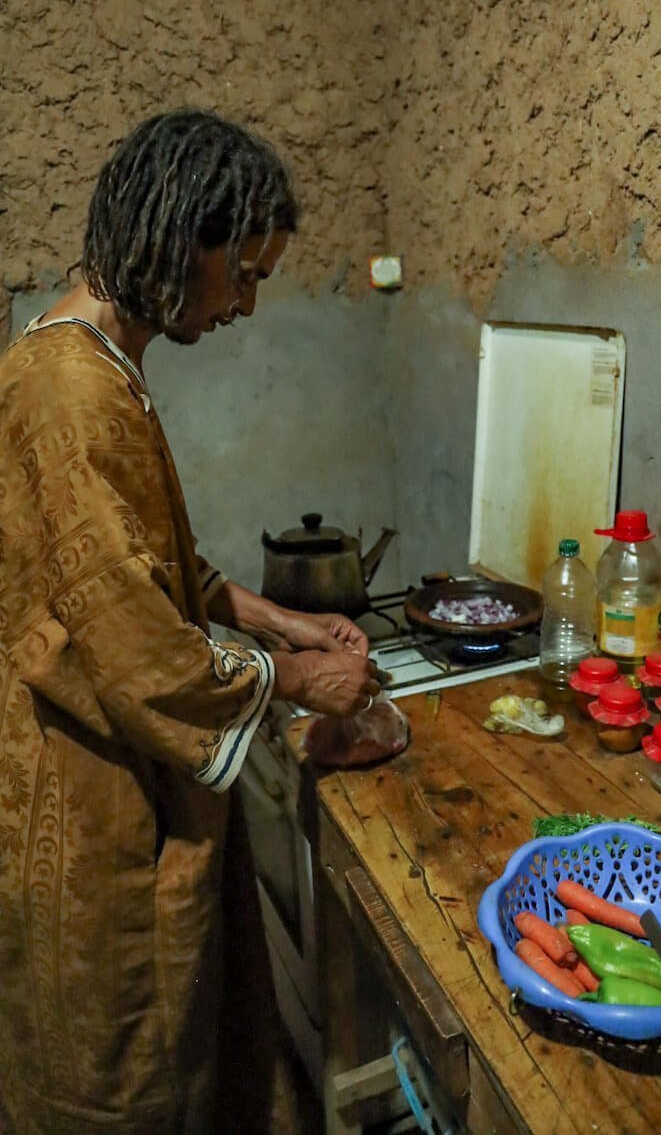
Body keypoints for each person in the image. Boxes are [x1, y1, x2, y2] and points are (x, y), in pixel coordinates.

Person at [0, 110, 380, 1133]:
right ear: (180, 242)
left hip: (103, 786)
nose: (246, 304)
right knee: (133, 1073)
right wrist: (301, 679)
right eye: (243, 274)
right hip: (97, 812)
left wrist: (276, 618)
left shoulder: (89, 364)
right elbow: (134, 646)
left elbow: (140, 560)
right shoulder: (70, 394)